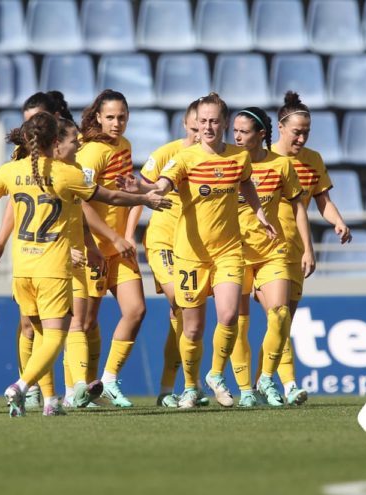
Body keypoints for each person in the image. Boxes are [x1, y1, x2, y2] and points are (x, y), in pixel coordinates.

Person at [0, 112, 170, 417]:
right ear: (54, 142)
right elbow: (111, 196)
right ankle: (20, 386)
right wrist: (145, 200)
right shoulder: (66, 174)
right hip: (53, 268)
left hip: (22, 269)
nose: (78, 145)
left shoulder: (12, 171)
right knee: (56, 336)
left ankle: (50, 402)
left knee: (38, 335)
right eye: (73, 140)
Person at [118, 93, 275, 409]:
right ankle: (190, 386)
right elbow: (163, 183)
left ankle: (216, 374)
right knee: (193, 327)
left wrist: (259, 213)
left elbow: (246, 184)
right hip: (190, 254)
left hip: (228, 251)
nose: (208, 126)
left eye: (214, 120)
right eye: (203, 121)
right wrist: (145, 191)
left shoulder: (238, 157)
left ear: (225, 123)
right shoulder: (186, 158)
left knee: (230, 314)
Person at [0, 91, 87, 410]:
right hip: (41, 258)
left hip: (59, 253)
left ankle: (56, 396)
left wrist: (86, 244)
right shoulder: (22, 160)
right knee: (37, 327)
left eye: (36, 121)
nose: (31, 128)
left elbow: (83, 208)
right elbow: (16, 207)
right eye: (27, 122)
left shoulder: (68, 163)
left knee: (72, 323)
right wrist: (0, 243)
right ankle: (30, 388)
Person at [254, 91, 352, 405]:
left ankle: (258, 385)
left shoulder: (313, 161)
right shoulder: (260, 157)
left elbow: (322, 201)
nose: (301, 137)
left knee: (281, 324)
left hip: (296, 250)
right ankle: (289, 385)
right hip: (264, 249)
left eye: (306, 132)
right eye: (297, 131)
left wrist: (338, 221)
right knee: (278, 316)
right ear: (280, 127)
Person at [229, 107, 315, 407]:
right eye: (235, 130)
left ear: (261, 135)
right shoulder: (226, 162)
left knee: (279, 313)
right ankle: (246, 391)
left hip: (272, 249)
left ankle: (266, 378)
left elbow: (298, 205)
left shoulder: (281, 165)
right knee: (237, 323)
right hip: (234, 252)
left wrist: (307, 247)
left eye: (244, 131)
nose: (237, 136)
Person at [76, 89, 145, 407]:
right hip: (94, 249)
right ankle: (83, 388)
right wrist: (110, 239)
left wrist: (127, 234)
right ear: (98, 118)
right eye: (110, 117)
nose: (116, 123)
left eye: (122, 117)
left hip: (119, 248)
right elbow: (82, 205)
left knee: (136, 310)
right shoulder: (91, 153)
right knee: (86, 323)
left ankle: (109, 380)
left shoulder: (125, 147)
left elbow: (125, 192)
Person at [135, 99, 202, 407]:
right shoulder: (166, 154)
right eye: (194, 127)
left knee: (183, 314)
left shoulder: (216, 158)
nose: (201, 133)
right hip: (163, 241)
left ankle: (175, 388)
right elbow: (142, 193)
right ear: (186, 125)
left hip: (193, 246)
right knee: (180, 302)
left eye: (206, 126)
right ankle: (173, 388)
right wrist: (127, 234)